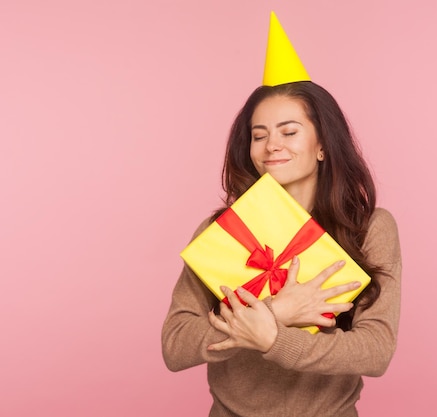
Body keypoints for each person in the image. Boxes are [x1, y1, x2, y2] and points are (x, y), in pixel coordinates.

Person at [162, 12, 401, 417]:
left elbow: (375, 350)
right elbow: (176, 345)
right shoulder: (223, 231)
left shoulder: (370, 227)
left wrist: (273, 338)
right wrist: (277, 311)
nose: (272, 145)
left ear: (323, 144)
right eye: (259, 135)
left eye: (289, 132)